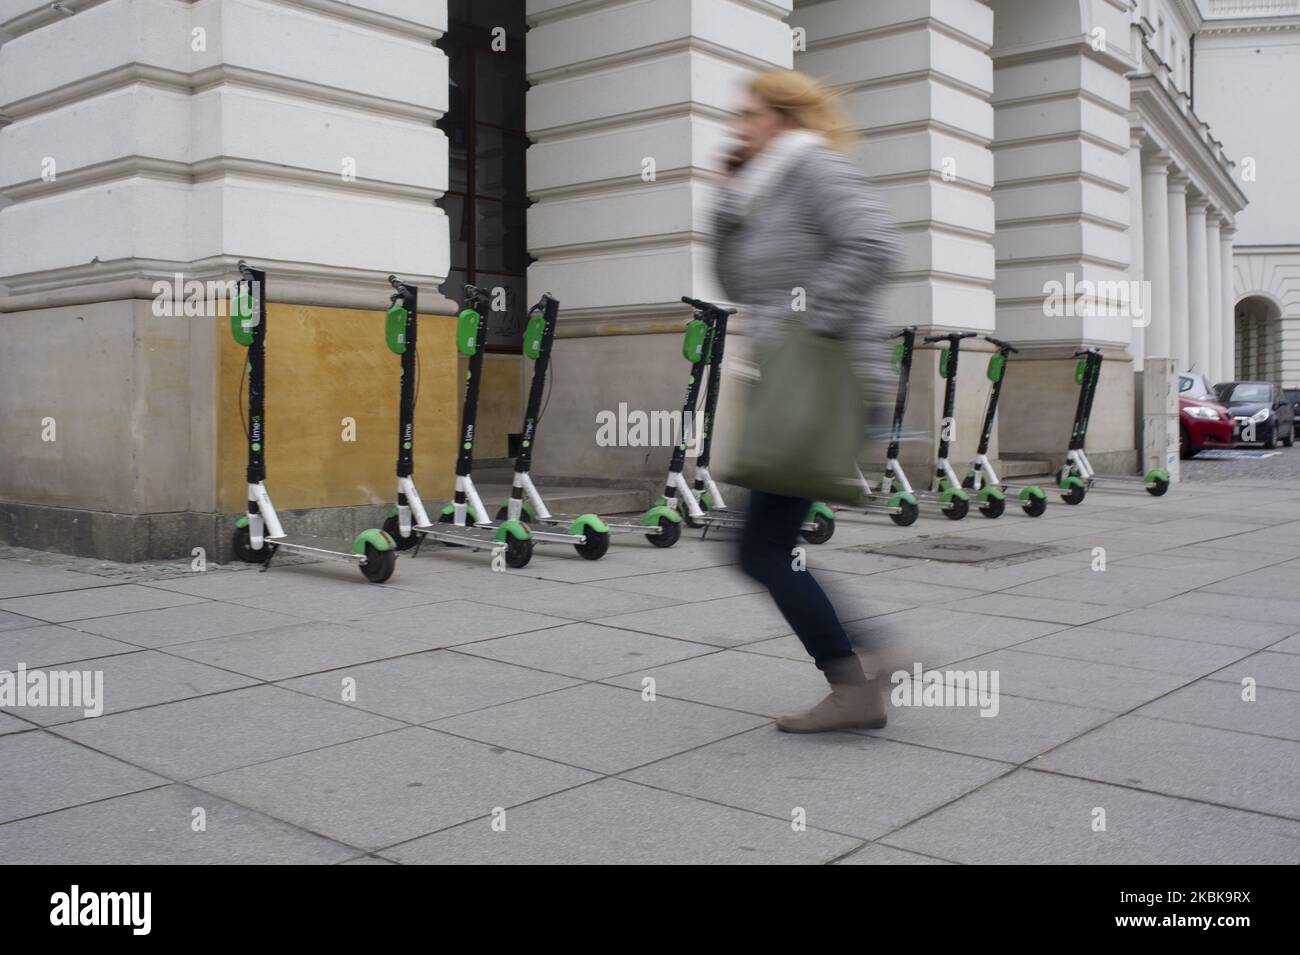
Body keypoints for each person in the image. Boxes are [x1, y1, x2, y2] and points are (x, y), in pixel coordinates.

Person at [710, 69, 900, 733]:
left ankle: (862, 669)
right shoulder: (765, 189)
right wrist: (726, 205)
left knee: (758, 547)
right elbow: (736, 282)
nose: (739, 124)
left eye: (750, 112)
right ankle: (861, 671)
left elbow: (875, 245)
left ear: (783, 117)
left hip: (823, 377)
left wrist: (809, 324)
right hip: (789, 380)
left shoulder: (816, 168)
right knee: (764, 544)